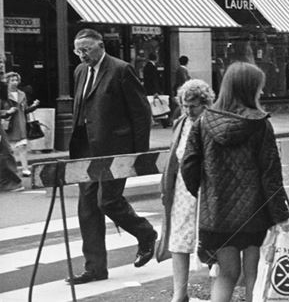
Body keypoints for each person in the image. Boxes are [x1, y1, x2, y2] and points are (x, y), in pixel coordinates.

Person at [181, 62, 289, 302]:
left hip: (217, 214)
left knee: (227, 274)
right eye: (259, 88)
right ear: (248, 89)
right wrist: (280, 215)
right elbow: (271, 174)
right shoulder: (260, 124)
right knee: (254, 273)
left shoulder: (203, 122)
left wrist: (204, 191)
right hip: (255, 213)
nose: (261, 92)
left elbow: (188, 165)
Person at [67, 29, 158, 285]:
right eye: (78, 50)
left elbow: (141, 113)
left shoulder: (121, 70)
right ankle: (95, 268)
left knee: (107, 201)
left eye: (86, 49)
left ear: (100, 45)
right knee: (87, 208)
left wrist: (139, 154)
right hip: (85, 150)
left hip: (115, 149)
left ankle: (145, 233)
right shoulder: (80, 72)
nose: (82, 55)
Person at [159, 79, 214, 302]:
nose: (189, 110)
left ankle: (217, 290)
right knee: (179, 240)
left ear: (205, 103)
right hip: (183, 188)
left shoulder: (212, 123)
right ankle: (180, 293)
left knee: (210, 239)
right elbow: (174, 156)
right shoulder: (181, 123)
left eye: (194, 106)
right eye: (185, 105)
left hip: (207, 188)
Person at [3, 71, 39, 176]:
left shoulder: (22, 94)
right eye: (12, 80)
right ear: (7, 82)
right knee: (10, 150)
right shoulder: (3, 95)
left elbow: (25, 110)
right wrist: (7, 111)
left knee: (23, 147)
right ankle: (11, 170)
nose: (14, 82)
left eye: (16, 80)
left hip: (21, 123)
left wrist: (34, 106)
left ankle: (25, 169)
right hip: (8, 125)